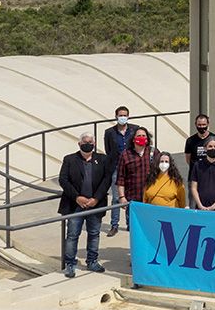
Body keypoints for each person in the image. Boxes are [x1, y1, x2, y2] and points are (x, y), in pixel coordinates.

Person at [57, 133, 110, 278]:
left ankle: (92, 261)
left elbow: (106, 180)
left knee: (94, 234)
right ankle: (70, 264)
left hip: (95, 204)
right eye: (85, 142)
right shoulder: (70, 159)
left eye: (91, 142)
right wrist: (77, 197)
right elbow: (63, 179)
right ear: (79, 144)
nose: (88, 144)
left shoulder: (102, 159)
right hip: (76, 205)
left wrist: (96, 199)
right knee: (73, 235)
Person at [116, 127, 160, 235]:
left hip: (151, 200)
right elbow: (120, 178)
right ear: (133, 139)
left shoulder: (154, 152)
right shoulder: (126, 154)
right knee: (135, 231)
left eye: (144, 136)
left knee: (152, 229)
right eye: (139, 136)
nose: (141, 138)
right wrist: (122, 197)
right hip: (134, 201)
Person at [103, 106, 136, 235]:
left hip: (130, 167)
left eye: (125, 115)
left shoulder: (134, 130)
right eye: (120, 115)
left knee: (130, 197)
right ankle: (114, 225)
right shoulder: (109, 132)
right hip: (116, 167)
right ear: (116, 116)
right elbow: (108, 150)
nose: (123, 117)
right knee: (116, 197)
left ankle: (130, 223)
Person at [184, 114, 215, 184]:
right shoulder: (190, 141)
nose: (202, 127)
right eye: (199, 125)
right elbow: (188, 159)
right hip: (195, 177)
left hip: (212, 175)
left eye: (204, 124)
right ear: (195, 124)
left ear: (208, 124)